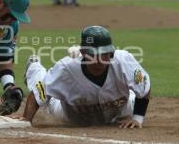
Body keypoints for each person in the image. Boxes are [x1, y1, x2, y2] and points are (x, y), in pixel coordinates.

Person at [21, 25, 151, 128]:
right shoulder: (66, 68)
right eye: (95, 55)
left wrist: (137, 118)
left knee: (132, 99)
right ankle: (34, 68)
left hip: (120, 110)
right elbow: (39, 93)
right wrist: (26, 121)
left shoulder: (123, 60)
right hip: (72, 116)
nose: (101, 59)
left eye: (106, 54)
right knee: (48, 99)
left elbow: (144, 88)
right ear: (83, 53)